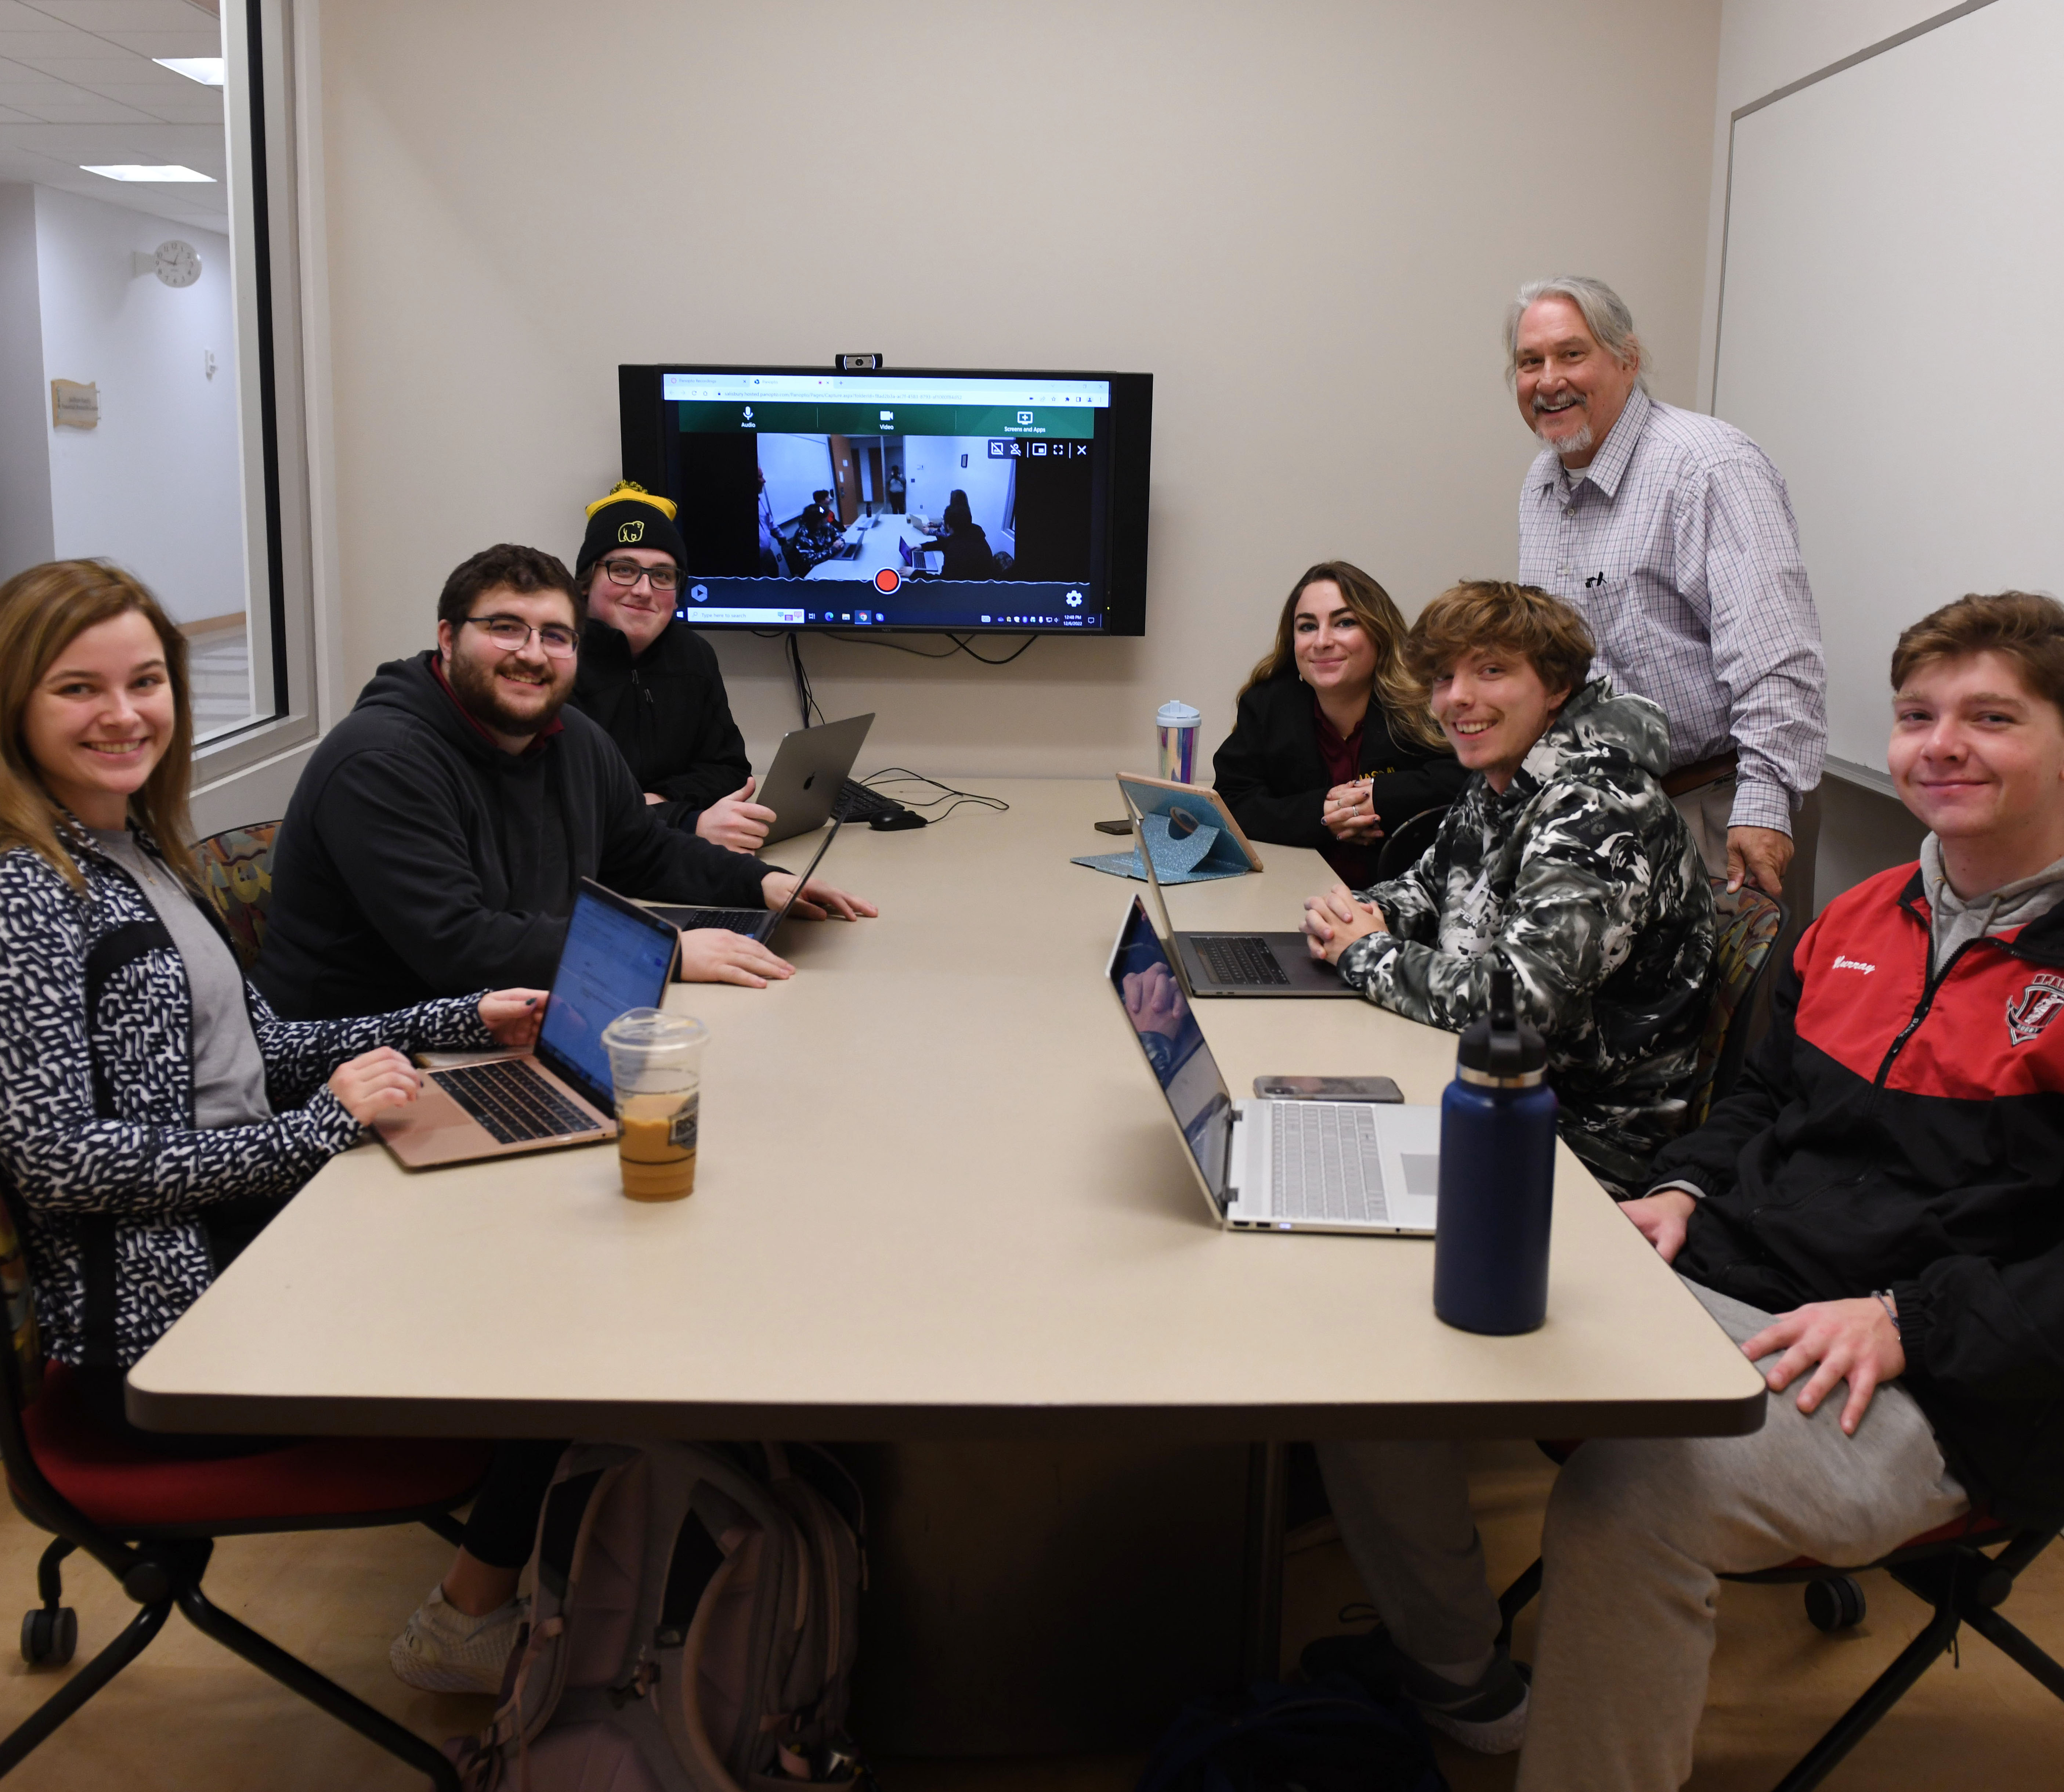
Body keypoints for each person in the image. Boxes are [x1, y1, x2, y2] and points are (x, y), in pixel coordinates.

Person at [1314, 590, 2064, 1789]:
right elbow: (1758, 1107)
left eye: (1993, 717)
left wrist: (1908, 1322)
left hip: (1947, 1378)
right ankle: (1462, 1680)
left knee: (1635, 1495)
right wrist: (1682, 1189)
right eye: (1917, 714)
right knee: (1366, 1349)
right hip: (1730, 1280)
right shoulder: (1865, 916)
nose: (1940, 743)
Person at [0, 557, 543, 1431]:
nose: (124, 714)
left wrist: (456, 1019)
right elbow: (58, 1160)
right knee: (546, 1320)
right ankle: (488, 1573)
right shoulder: (24, 888)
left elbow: (266, 1049)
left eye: (146, 683)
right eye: (77, 689)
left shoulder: (138, 850)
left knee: (538, 1247)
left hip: (254, 1240)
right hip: (171, 1328)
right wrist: (316, 1130)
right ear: (15, 706)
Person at [254, 542, 874, 1021]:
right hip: (369, 1061)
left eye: (555, 636)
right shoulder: (380, 762)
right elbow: (460, 947)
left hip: (502, 1019)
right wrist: (667, 952)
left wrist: (763, 883)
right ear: (447, 638)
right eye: (505, 628)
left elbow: (640, 851)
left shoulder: (570, 737)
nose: (532, 653)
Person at [1302, 580, 1713, 1196]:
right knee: (1311, 1130)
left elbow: (1524, 1007)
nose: (1458, 699)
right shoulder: (1501, 775)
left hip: (1584, 1139)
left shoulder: (1597, 807)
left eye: (1490, 671)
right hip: (1485, 1086)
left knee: (1327, 1175)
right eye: (1443, 677)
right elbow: (1428, 889)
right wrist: (1358, 915)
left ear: (1555, 687)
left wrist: (1365, 952)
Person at [1508, 275, 1825, 922]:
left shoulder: (1707, 466)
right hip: (1601, 815)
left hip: (1714, 807)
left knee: (1714, 1019)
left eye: (1572, 354)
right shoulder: (1542, 485)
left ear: (1627, 358)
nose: (1548, 380)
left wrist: (1762, 806)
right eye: (1528, 362)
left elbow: (1778, 657)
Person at [1212, 561, 1468, 888]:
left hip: (1415, 903)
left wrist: (1377, 796)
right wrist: (1324, 814)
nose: (1321, 641)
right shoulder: (1268, 705)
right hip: (1295, 896)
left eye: (1344, 623)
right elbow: (1231, 801)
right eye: (1306, 627)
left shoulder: (1425, 700)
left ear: (1379, 632)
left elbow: (1470, 777)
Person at [567, 482, 773, 852]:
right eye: (624, 569)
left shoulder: (694, 655)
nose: (644, 590)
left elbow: (729, 772)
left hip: (673, 862)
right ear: (585, 582)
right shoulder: (550, 661)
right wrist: (685, 821)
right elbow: (561, 805)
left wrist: (660, 799)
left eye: (662, 575)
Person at [915, 491, 997, 579]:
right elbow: (945, 543)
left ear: (948, 526)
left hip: (972, 590)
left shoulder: (956, 551)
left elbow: (943, 583)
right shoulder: (973, 532)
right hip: (984, 585)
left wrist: (914, 574)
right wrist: (922, 547)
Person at [784, 503, 844, 575]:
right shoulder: (803, 534)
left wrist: (840, 542)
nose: (827, 518)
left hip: (828, 562)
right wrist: (833, 549)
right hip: (814, 572)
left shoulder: (825, 526)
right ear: (819, 520)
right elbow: (811, 561)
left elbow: (839, 536)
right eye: (825, 516)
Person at [755, 467, 791, 577]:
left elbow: (769, 522)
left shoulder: (759, 501)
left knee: (775, 581)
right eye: (760, 477)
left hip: (767, 555)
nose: (764, 480)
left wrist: (782, 538)